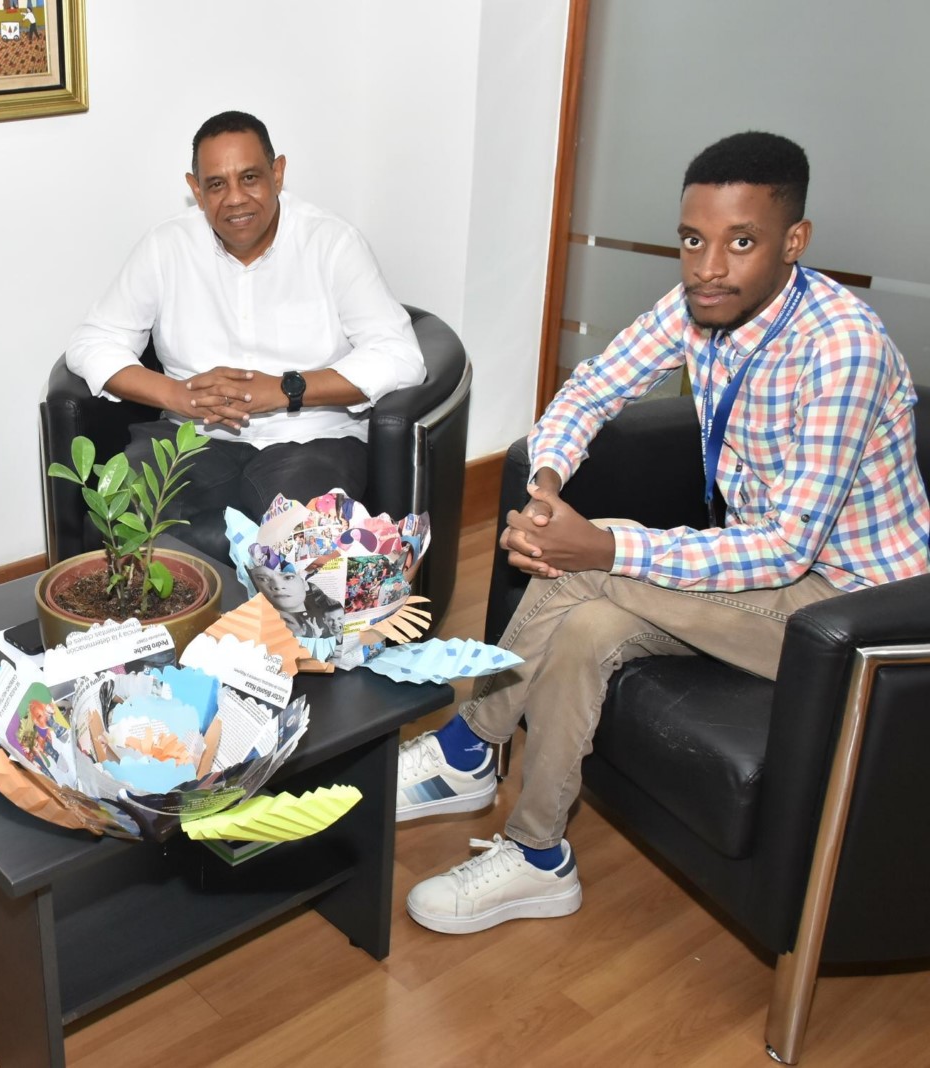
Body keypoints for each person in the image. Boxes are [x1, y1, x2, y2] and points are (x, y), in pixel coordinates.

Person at [397, 132, 930, 935]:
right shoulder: (697, 307)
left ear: (794, 243)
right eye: (693, 239)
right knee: (586, 625)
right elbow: (589, 392)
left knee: (588, 564)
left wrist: (602, 546)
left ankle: (469, 747)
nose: (709, 267)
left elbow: (788, 547)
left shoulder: (841, 349)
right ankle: (540, 857)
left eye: (741, 242)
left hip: (855, 618)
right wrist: (545, 487)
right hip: (769, 584)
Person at [65, 110, 425, 561]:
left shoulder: (332, 243)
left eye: (250, 177)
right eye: (216, 184)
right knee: (125, 518)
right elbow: (91, 341)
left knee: (306, 552)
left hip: (311, 439)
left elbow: (401, 355)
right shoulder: (166, 247)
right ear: (196, 191)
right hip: (190, 440)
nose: (235, 199)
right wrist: (177, 395)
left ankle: (290, 635)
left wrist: (287, 389)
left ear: (278, 173)